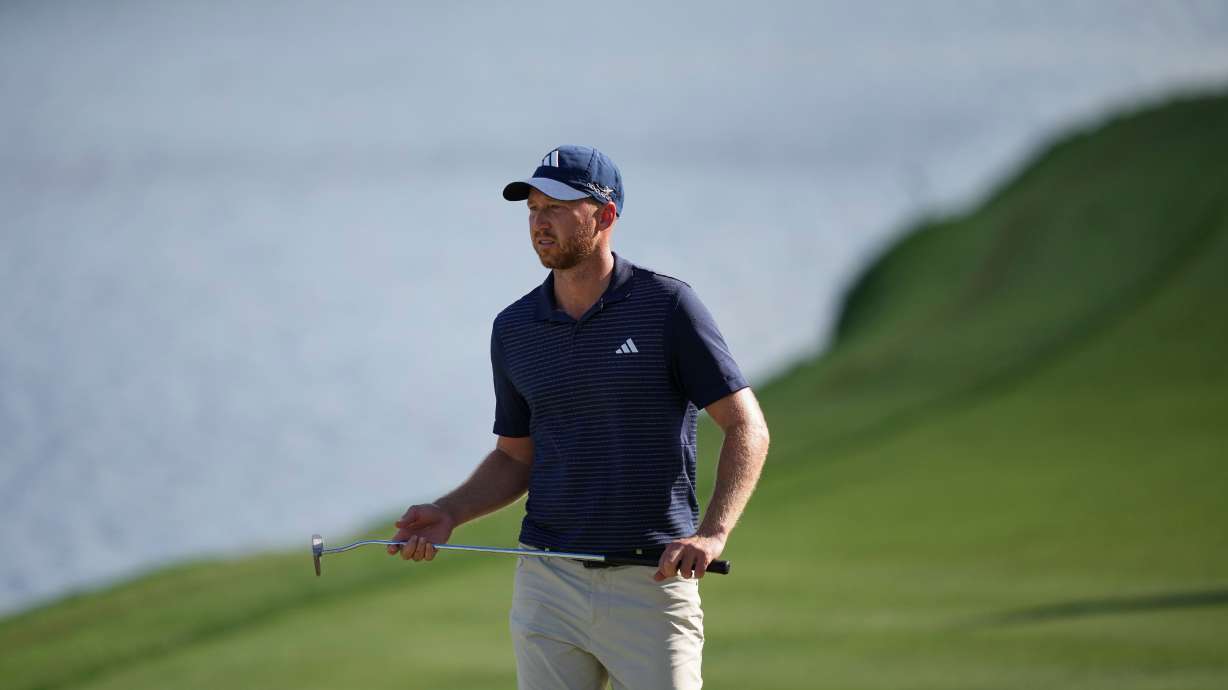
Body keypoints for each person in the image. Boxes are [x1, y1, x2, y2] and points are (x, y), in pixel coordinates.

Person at [389, 145, 770, 689]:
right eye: (533, 208)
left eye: (557, 208)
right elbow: (514, 456)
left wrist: (713, 534)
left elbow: (745, 425)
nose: (539, 223)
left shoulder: (667, 307)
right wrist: (450, 512)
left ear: (605, 215)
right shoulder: (515, 328)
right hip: (548, 584)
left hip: (651, 582)